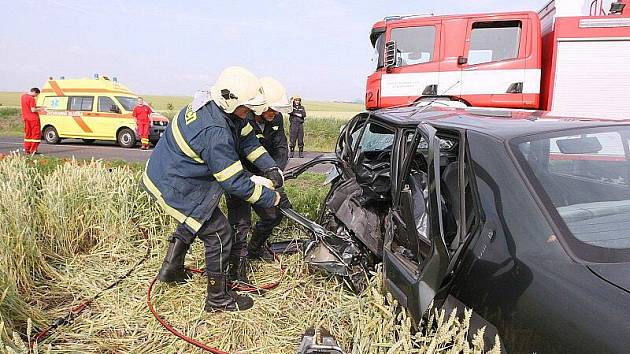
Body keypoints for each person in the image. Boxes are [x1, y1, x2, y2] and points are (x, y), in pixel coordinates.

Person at [142, 67, 292, 312]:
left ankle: (171, 270)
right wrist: (270, 197)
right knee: (219, 233)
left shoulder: (227, 111)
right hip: (174, 180)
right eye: (247, 107)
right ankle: (218, 299)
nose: (251, 113)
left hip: (176, 171)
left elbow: (248, 141)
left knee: (197, 218)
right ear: (231, 101)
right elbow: (234, 182)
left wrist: (270, 167)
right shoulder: (216, 132)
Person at [226, 77, 290, 285]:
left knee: (274, 214)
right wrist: (250, 178)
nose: (274, 114)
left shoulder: (276, 119)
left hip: (266, 174)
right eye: (271, 109)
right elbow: (230, 156)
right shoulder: (242, 118)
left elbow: (281, 148)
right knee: (241, 223)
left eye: (277, 110)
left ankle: (255, 249)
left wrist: (275, 172)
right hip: (240, 176)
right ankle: (236, 271)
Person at [20, 88, 42, 155]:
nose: (36, 96)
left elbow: (28, 107)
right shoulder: (32, 98)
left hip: (26, 118)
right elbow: (33, 110)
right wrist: (41, 109)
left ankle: (27, 150)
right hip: (34, 119)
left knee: (28, 134)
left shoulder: (23, 96)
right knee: (35, 135)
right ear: (35, 92)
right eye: (36, 94)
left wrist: (38, 107)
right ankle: (33, 150)